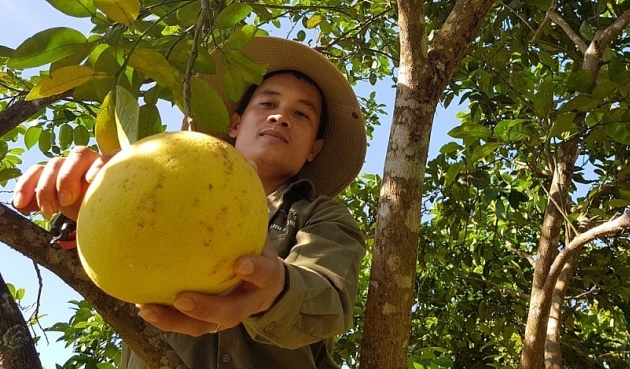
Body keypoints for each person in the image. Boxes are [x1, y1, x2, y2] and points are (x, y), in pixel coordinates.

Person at [12, 36, 368, 368]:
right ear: (235, 123)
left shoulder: (322, 215)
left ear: (314, 149)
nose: (280, 117)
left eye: (301, 114)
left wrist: (273, 290)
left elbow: (330, 301)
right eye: (268, 103)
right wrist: (89, 207)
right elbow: (119, 267)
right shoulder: (159, 186)